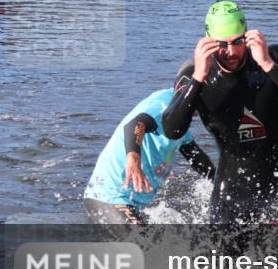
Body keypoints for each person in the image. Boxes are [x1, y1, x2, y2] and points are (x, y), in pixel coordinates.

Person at [163, 1, 278, 224]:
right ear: (207, 41)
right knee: (221, 260)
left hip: (277, 187)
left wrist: (267, 64)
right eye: (221, 44)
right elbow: (172, 130)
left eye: (237, 42)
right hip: (230, 192)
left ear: (247, 36)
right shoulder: (194, 74)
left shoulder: (274, 56)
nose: (230, 51)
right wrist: (199, 76)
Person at [84, 80, 215, 225]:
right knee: (143, 244)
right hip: (109, 198)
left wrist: (223, 184)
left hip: (131, 204)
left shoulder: (179, 120)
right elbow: (135, 124)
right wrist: (133, 159)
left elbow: (197, 158)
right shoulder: (163, 106)